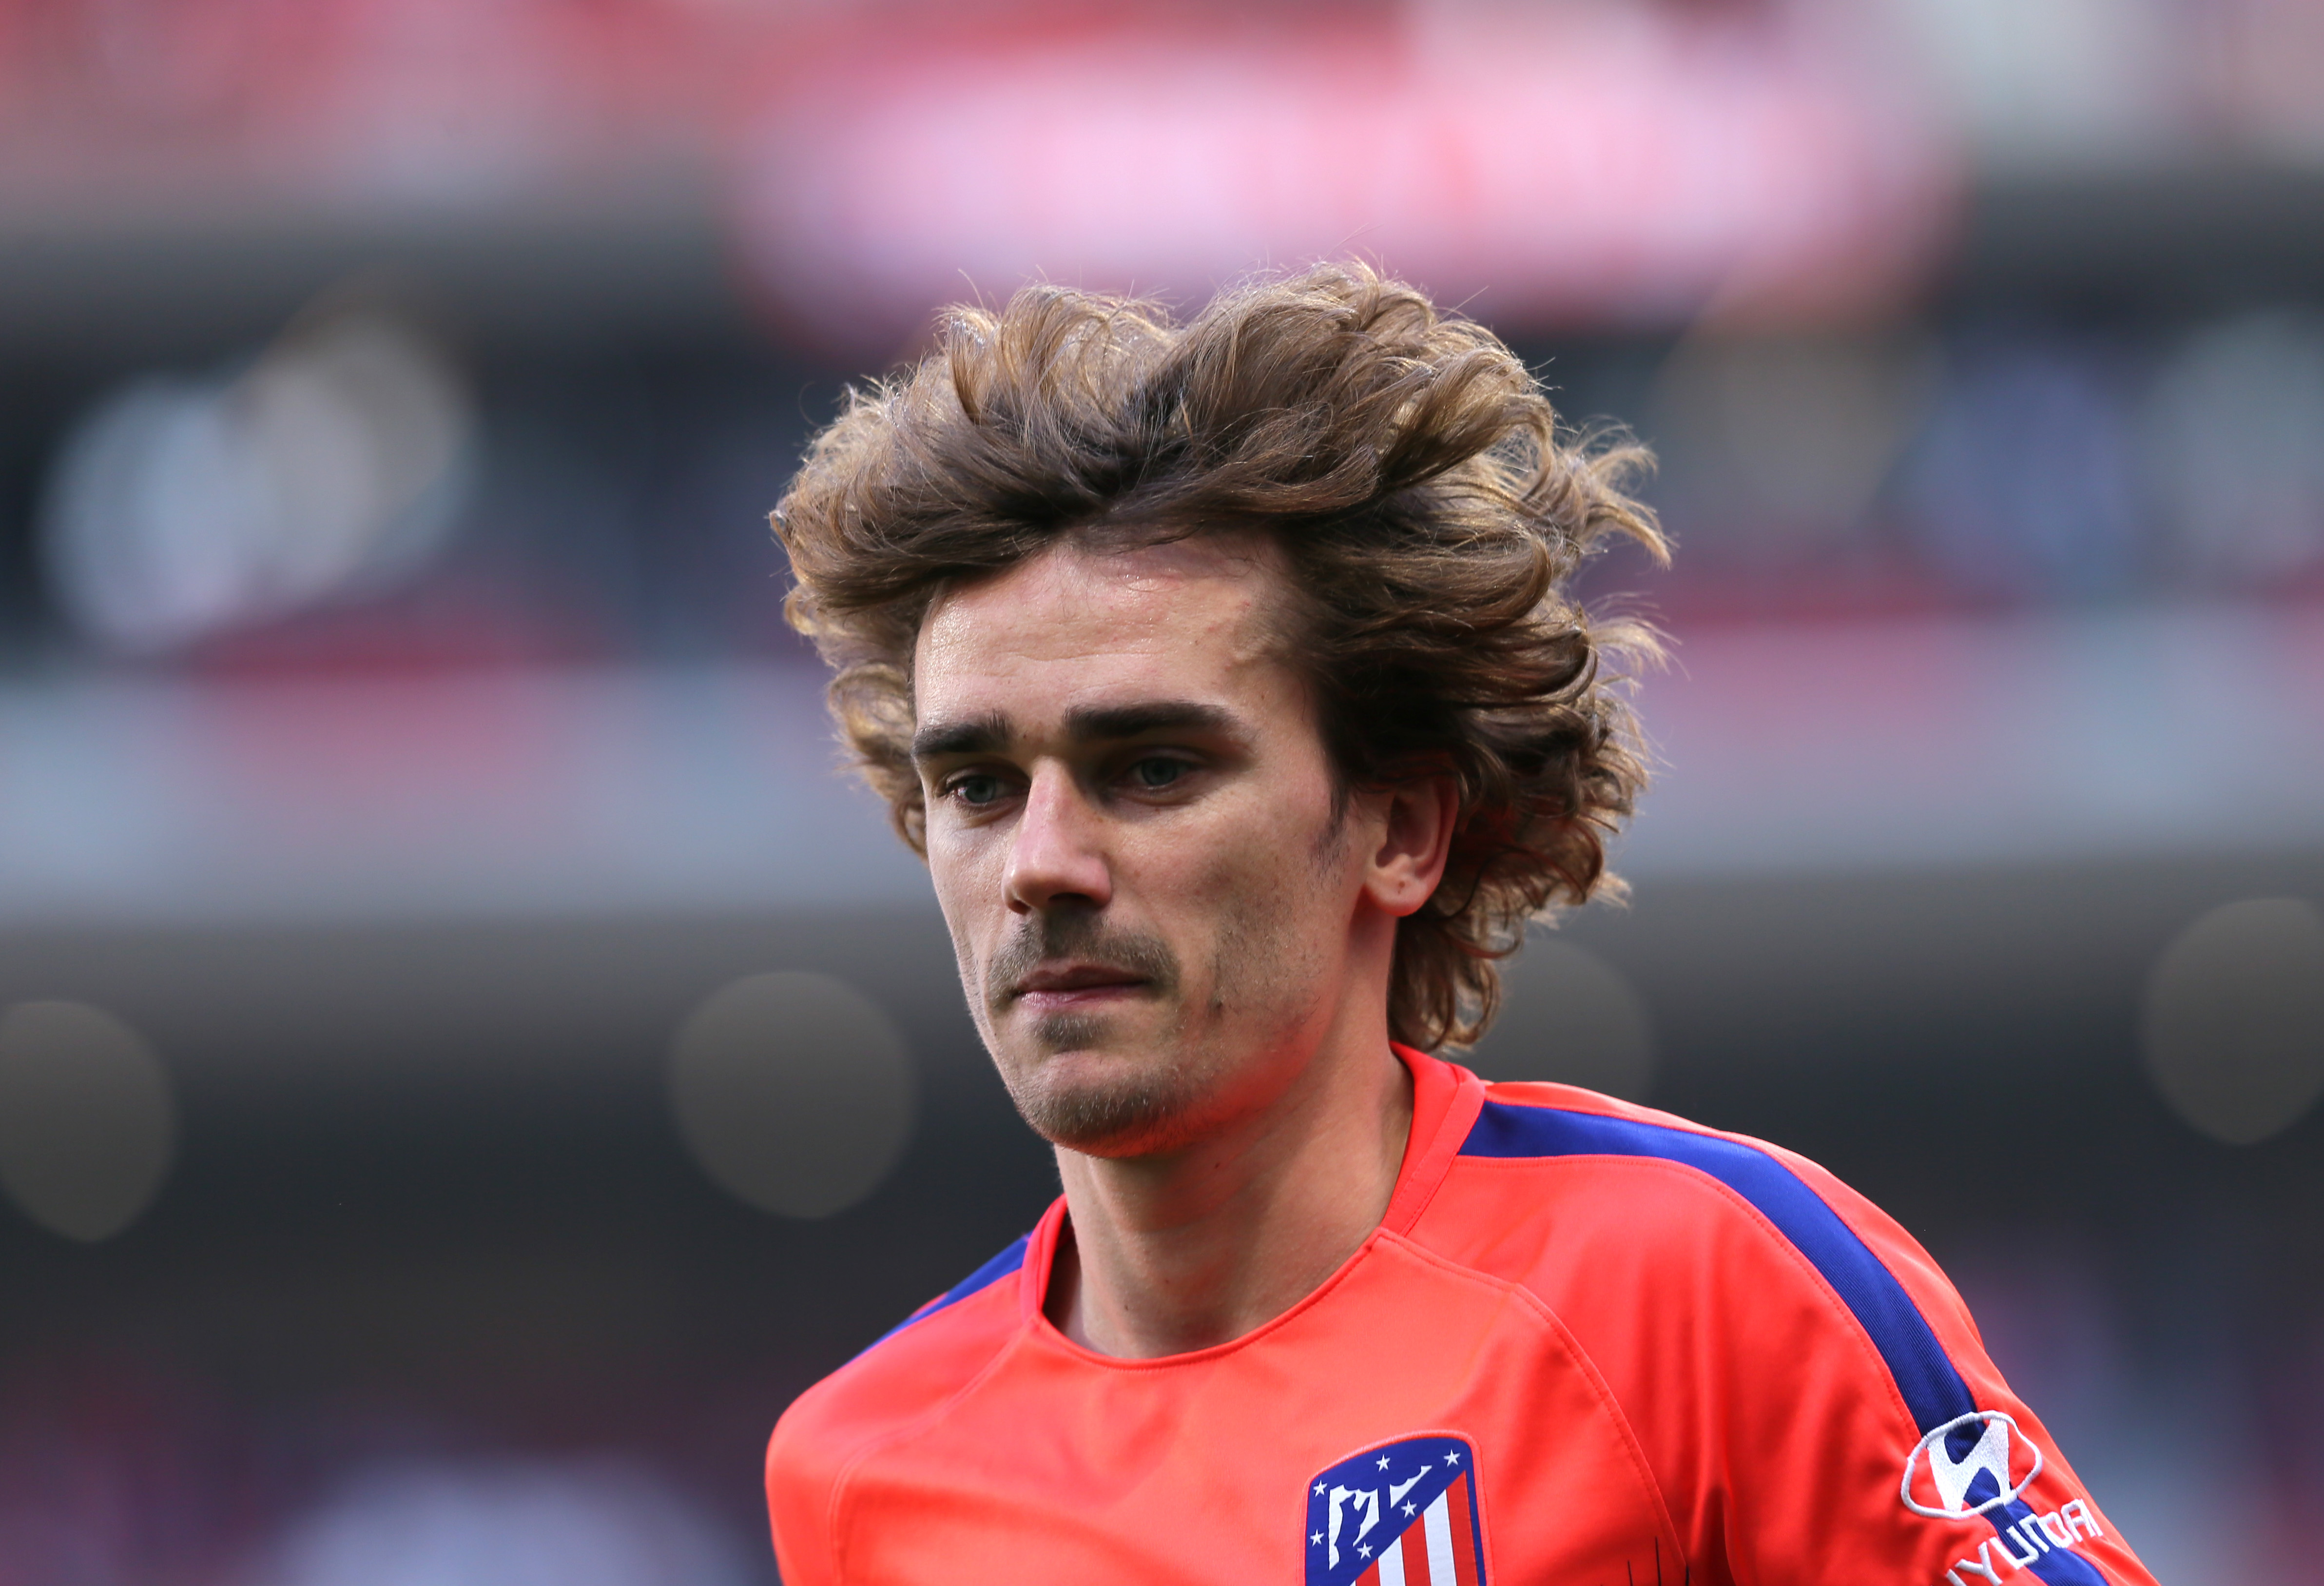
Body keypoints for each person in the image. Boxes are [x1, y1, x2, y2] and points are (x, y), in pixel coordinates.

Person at [762, 264, 2156, 1586]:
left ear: (1401, 831)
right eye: (979, 786)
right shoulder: (859, 1467)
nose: (1043, 863)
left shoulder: (1706, 1284)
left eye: (1155, 769)